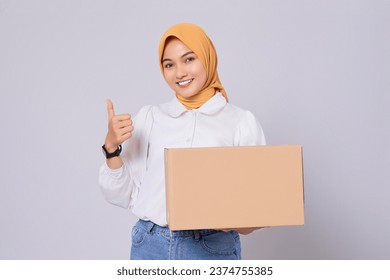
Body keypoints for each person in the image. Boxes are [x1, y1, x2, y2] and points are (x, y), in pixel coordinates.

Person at [99, 23, 266, 260]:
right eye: (169, 65)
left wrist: (237, 221)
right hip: (150, 245)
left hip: (212, 247)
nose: (179, 73)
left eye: (189, 59)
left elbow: (259, 204)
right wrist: (111, 149)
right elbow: (121, 195)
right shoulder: (150, 117)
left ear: (208, 58)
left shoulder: (240, 121)